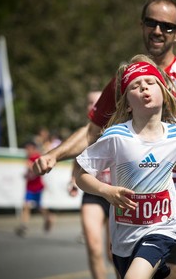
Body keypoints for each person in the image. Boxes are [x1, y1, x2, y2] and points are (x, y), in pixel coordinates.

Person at [33, 0, 176, 278]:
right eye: (151, 23)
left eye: (166, 26)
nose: (157, 30)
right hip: (131, 209)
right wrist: (55, 154)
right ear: (141, 26)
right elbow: (92, 130)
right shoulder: (125, 81)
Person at [74, 55, 176, 279]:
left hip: (161, 230)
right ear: (127, 104)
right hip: (123, 238)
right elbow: (81, 175)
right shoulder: (116, 137)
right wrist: (106, 191)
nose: (144, 89)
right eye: (136, 86)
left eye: (150, 83)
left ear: (164, 94)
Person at [68, 91, 119, 279]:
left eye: (98, 102)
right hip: (92, 193)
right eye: (90, 103)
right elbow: (78, 160)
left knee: (113, 253)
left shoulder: (119, 129)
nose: (94, 106)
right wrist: (72, 180)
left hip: (116, 194)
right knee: (93, 245)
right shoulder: (84, 134)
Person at [15, 141, 55, 237]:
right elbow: (30, 173)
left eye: (28, 149)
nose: (26, 151)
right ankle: (24, 226)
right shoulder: (28, 158)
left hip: (37, 187)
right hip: (29, 187)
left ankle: (49, 217)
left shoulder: (36, 157)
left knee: (39, 207)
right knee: (26, 206)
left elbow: (39, 170)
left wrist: (30, 165)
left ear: (33, 148)